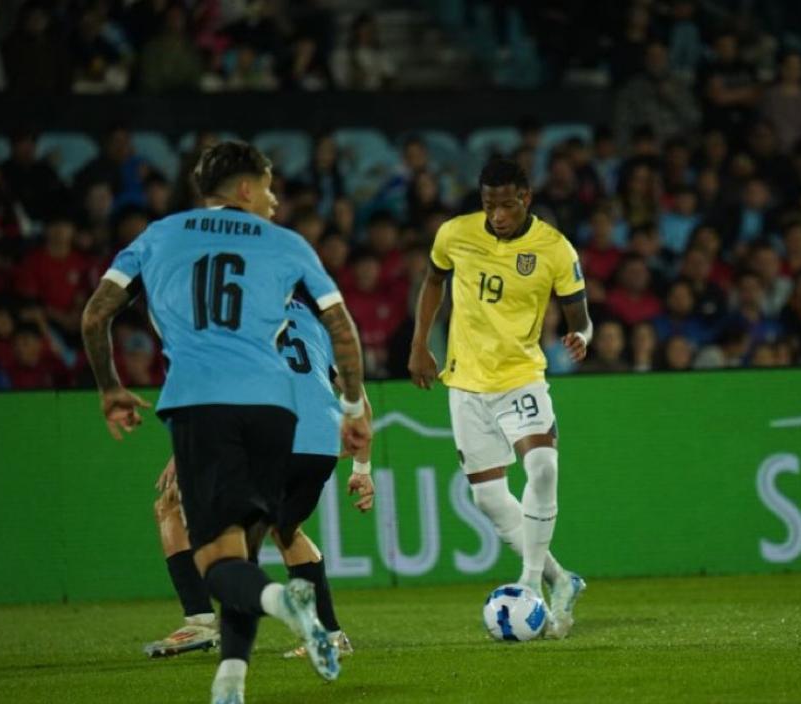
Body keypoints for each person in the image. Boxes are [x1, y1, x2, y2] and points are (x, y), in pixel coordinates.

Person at [80, 141, 371, 703]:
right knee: (254, 542)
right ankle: (231, 679)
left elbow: (96, 315)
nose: (274, 197)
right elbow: (341, 327)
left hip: (201, 402)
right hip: (274, 410)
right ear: (244, 188)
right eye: (267, 186)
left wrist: (111, 388)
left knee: (217, 557)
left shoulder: (159, 235)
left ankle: (282, 602)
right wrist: (355, 409)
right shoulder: (287, 244)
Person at [408, 158, 590, 639]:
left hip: (521, 378)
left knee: (543, 468)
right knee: (488, 497)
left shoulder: (553, 249)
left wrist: (583, 338)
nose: (497, 215)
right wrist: (419, 344)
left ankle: (529, 582)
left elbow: (581, 316)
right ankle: (561, 580)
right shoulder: (454, 234)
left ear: (525, 198)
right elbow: (433, 282)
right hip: (466, 384)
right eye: (489, 205)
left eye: (506, 205)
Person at [144, 300, 373, 662]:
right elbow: (354, 392)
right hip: (321, 445)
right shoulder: (316, 321)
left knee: (171, 504)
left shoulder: (236, 314)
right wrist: (363, 468)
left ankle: (203, 620)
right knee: (285, 531)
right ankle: (331, 635)